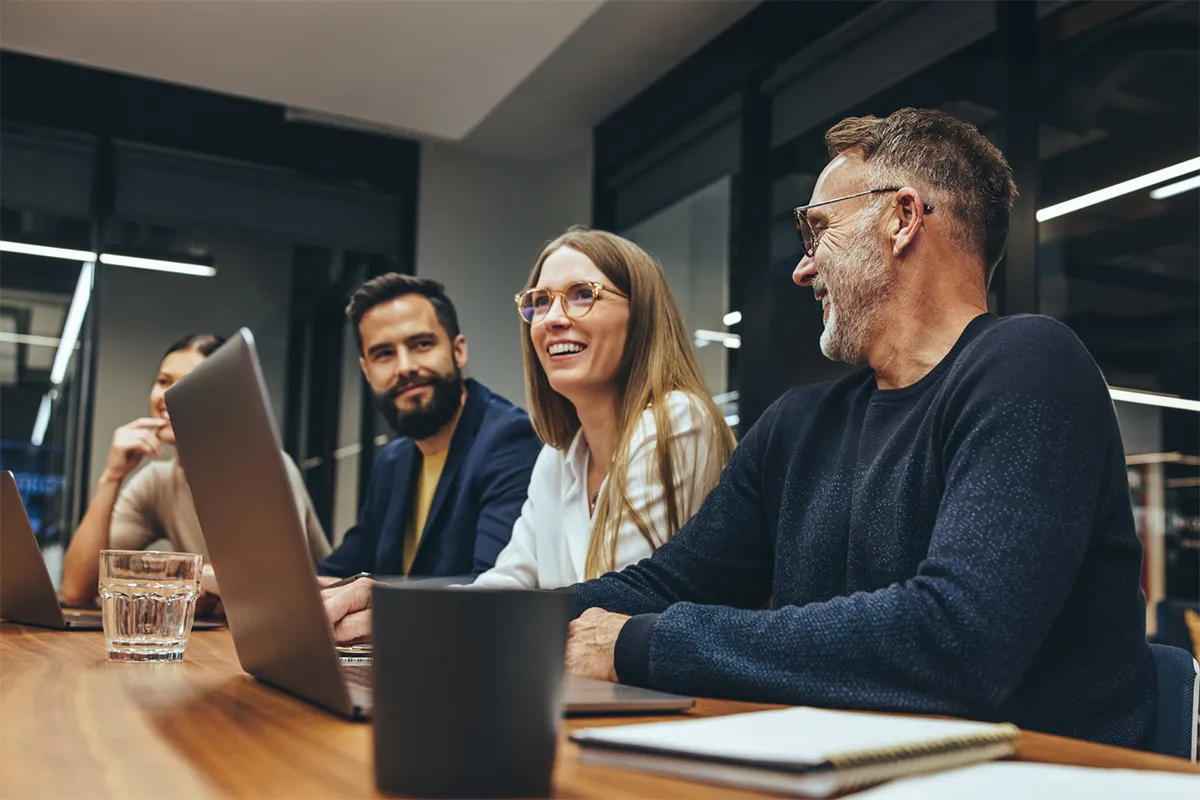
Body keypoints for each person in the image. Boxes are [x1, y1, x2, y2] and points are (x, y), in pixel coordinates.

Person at [561, 108, 1155, 750]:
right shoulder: (796, 427)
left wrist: (642, 643)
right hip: (846, 772)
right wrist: (499, 622)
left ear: (902, 219)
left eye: (818, 231)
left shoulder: (1030, 364)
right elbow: (663, 585)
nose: (802, 269)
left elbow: (954, 641)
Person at [322, 229, 737, 642]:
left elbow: (616, 607)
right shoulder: (558, 457)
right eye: (540, 302)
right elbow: (507, 581)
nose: (553, 319)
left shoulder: (678, 420)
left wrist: (411, 617)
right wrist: (396, 607)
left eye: (582, 294)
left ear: (641, 314)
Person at [60, 334, 331, 606]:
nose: (167, 396)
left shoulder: (268, 468)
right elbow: (76, 589)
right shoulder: (157, 481)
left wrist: (179, 576)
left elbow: (271, 590)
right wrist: (111, 477)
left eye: (188, 384)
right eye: (163, 381)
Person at [316, 274, 541, 582]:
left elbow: (492, 588)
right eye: (384, 354)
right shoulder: (392, 461)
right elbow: (340, 570)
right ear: (367, 372)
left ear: (458, 350)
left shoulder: (510, 441)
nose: (405, 367)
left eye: (421, 344)